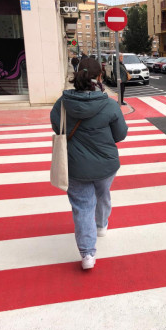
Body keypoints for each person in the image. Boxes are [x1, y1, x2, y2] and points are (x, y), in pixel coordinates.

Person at [50, 58, 128, 270]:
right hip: (106, 166)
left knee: (82, 206)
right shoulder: (109, 104)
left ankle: (87, 255)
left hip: (75, 166)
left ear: (76, 77)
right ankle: (101, 226)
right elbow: (120, 135)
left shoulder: (62, 104)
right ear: (100, 77)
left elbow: (59, 130)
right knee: (103, 195)